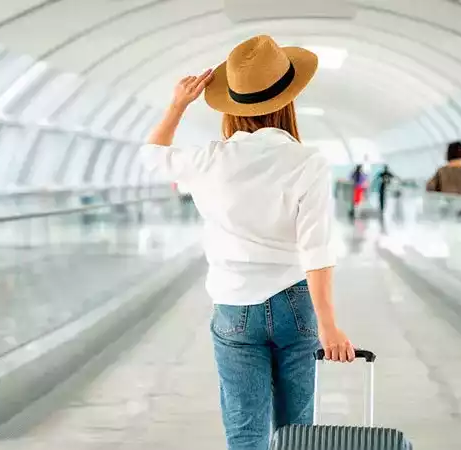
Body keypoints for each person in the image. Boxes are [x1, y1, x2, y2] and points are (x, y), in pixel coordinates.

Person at [141, 34, 354, 450]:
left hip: (233, 305)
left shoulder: (208, 159)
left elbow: (151, 157)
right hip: (295, 302)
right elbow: (316, 248)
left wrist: (178, 104)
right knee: (298, 432)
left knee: (245, 430)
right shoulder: (308, 162)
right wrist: (330, 326)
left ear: (233, 106)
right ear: (287, 101)